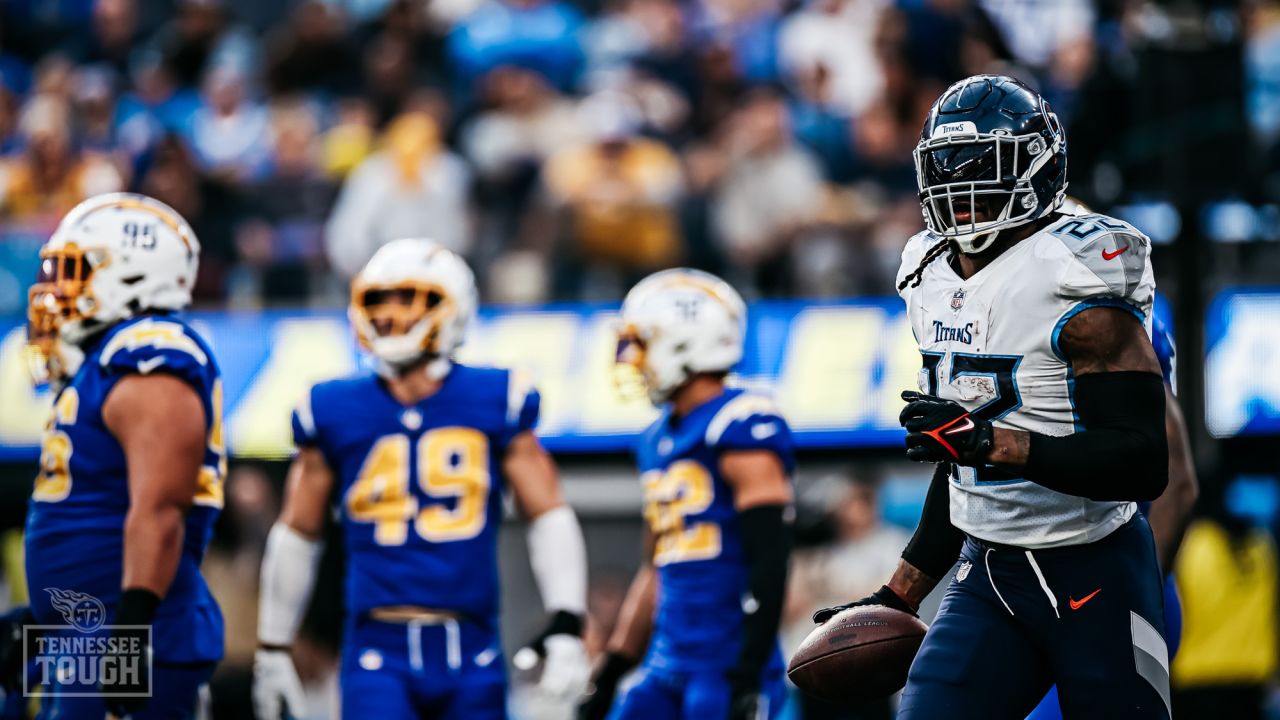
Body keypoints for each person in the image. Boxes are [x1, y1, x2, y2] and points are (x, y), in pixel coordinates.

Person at [812, 75, 1171, 719]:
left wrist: (993, 443)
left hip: (1094, 569)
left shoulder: (1076, 270)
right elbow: (960, 473)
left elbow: (1143, 462)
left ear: (1038, 167)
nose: (960, 189)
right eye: (946, 170)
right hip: (989, 574)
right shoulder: (927, 270)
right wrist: (897, 597)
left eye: (983, 168)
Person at [252, 238, 590, 719]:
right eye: (378, 301)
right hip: (376, 648)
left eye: (410, 300)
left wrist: (567, 623)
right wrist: (273, 646)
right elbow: (297, 533)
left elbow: (549, 515)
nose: (390, 316)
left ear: (453, 307)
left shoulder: (495, 397)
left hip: (471, 643)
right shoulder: (333, 407)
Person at [16, 193, 226, 718]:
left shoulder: (150, 349)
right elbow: (94, 510)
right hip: (89, 627)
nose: (53, 289)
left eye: (71, 271)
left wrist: (130, 635)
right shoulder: (101, 359)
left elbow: (160, 510)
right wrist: (40, 621)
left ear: (132, 274)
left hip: (131, 628)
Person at [577, 269, 794, 720]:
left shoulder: (739, 420)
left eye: (643, 343)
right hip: (666, 662)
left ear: (685, 341)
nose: (632, 359)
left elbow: (770, 559)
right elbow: (656, 567)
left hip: (725, 662)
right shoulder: (655, 438)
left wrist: (749, 668)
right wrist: (613, 668)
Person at [1025, 313, 1198, 719]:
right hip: (1042, 589)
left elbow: (1180, 483)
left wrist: (1133, 590)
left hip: (1105, 589)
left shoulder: (1096, 312)